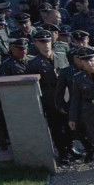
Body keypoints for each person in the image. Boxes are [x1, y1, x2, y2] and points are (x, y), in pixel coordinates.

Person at [26, 31, 72, 163]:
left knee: (69, 124)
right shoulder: (33, 63)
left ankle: (70, 148)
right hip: (50, 98)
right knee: (56, 127)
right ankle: (62, 152)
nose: (46, 45)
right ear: (36, 44)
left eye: (47, 41)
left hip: (65, 95)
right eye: (42, 42)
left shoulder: (61, 56)